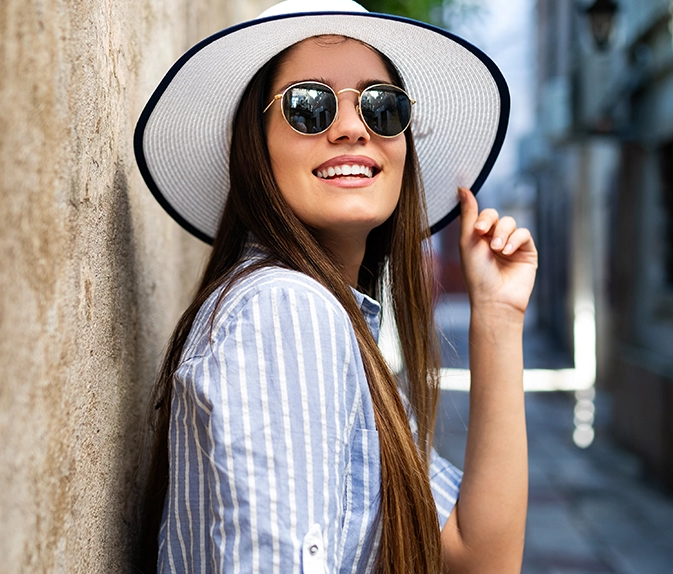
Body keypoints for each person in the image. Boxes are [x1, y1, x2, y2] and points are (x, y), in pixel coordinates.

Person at [133, 1, 536, 572]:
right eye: (308, 106)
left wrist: (497, 315)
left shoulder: (336, 328)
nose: (352, 127)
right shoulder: (287, 310)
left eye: (382, 106)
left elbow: (477, 560)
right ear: (256, 147)